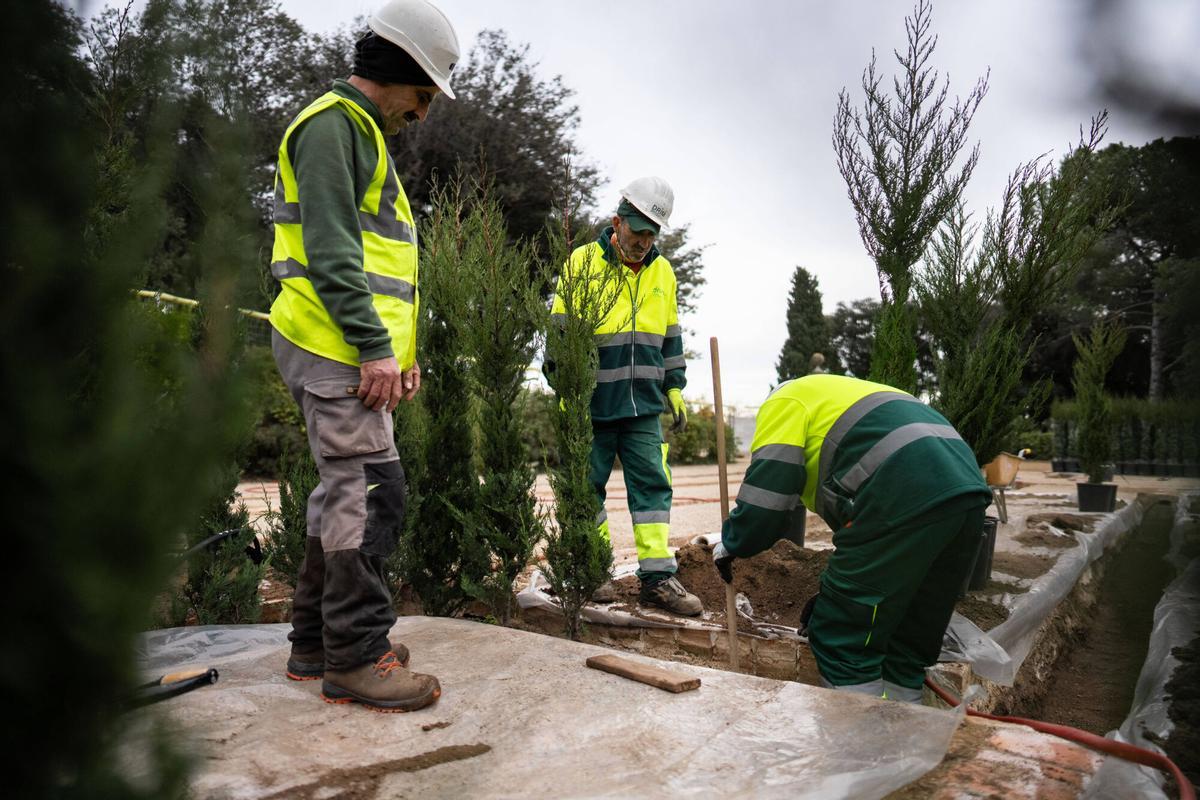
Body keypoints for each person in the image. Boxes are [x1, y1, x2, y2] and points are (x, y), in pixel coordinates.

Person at [267, 0, 459, 712]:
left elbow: (379, 263)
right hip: (332, 342)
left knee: (343, 492)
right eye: (424, 93)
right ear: (402, 70)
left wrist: (398, 352)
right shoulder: (332, 128)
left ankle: (317, 642)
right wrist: (374, 347)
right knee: (371, 491)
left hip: (343, 344)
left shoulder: (356, 134)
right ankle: (354, 656)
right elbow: (333, 252)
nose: (424, 111)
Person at [712, 374, 992, 701]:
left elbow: (767, 499)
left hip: (899, 492)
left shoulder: (784, 401)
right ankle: (909, 736)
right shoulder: (846, 394)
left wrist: (734, 542)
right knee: (908, 638)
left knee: (843, 637)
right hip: (967, 496)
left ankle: (860, 743)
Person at [546, 177, 703, 616]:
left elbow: (671, 336)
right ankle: (593, 571)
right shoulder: (582, 263)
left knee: (653, 487)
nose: (643, 242)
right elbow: (558, 334)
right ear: (617, 222)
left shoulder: (663, 272)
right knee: (585, 488)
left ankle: (656, 579)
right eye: (637, 232)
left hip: (643, 406)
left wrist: (674, 386)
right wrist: (566, 390)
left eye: (652, 233)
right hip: (592, 403)